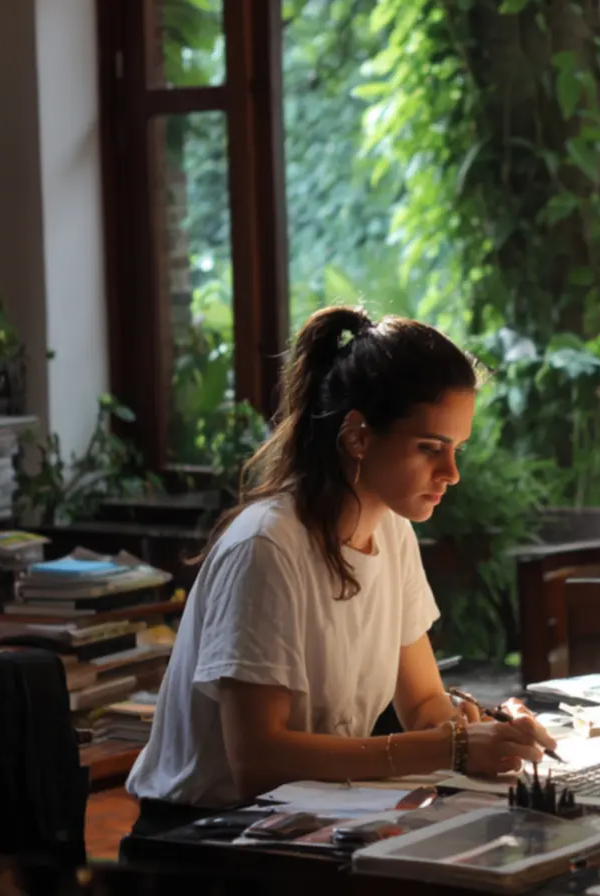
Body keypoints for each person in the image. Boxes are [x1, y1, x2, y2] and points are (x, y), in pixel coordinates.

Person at [125, 306, 556, 835]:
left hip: (308, 818)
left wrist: (489, 729)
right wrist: (450, 748)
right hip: (206, 834)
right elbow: (257, 761)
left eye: (456, 449)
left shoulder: (392, 531)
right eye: (430, 449)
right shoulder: (268, 546)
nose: (452, 473)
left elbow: (422, 702)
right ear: (358, 436)